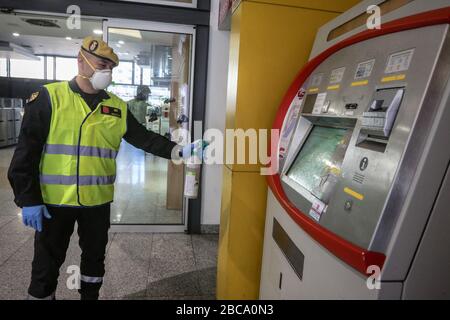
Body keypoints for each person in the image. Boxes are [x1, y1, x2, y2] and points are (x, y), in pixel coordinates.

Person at [7, 37, 206, 300]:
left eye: (111, 67)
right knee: (46, 263)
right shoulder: (49, 97)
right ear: (81, 60)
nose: (107, 72)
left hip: (97, 202)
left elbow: (144, 137)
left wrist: (178, 151)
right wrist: (28, 199)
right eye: (102, 64)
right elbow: (25, 155)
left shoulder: (116, 106)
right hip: (54, 203)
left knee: (94, 261)